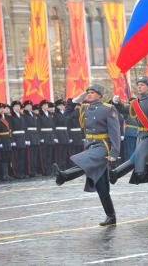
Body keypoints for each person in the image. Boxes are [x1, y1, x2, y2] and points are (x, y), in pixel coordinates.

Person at [53, 84, 120, 226]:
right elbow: (67, 114)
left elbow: (115, 131)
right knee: (101, 186)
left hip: (103, 146)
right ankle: (111, 216)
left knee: (85, 161)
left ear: (99, 95)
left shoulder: (108, 108)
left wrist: (115, 152)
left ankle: (64, 176)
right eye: (88, 92)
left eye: (92, 92)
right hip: (90, 145)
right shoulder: (84, 108)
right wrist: (78, 98)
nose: (89, 94)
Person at [110, 76, 148, 215]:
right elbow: (126, 110)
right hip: (140, 137)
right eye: (138, 85)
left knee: (136, 159)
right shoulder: (136, 103)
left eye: (142, 85)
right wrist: (118, 104)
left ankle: (115, 174)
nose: (140, 87)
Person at [0, 103, 12, 181]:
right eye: (0, 108)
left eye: (3, 108)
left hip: (7, 139)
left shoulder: (7, 117)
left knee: (7, 157)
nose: (2, 110)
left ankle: (7, 174)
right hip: (1, 139)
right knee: (2, 158)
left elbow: (10, 129)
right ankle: (3, 175)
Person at [9, 100, 27, 178]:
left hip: (22, 138)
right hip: (16, 138)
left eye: (19, 106)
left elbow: (25, 129)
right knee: (16, 158)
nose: (18, 107)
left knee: (22, 157)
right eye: (16, 106)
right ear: (13, 108)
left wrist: (26, 139)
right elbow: (10, 129)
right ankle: (16, 173)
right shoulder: (11, 117)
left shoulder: (22, 116)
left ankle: (22, 172)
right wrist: (12, 141)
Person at [38, 99, 56, 175]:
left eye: (47, 105)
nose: (46, 106)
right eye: (44, 105)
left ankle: (50, 170)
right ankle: (45, 170)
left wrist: (54, 136)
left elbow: (53, 127)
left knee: (50, 154)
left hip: (50, 136)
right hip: (44, 136)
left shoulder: (50, 114)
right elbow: (38, 127)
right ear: (42, 106)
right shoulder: (39, 115)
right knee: (44, 155)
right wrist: (41, 138)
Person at [23, 100, 41, 177]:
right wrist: (27, 139)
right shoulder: (24, 115)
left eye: (30, 106)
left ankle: (34, 170)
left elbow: (37, 127)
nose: (29, 107)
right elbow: (25, 128)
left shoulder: (33, 114)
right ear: (25, 107)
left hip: (35, 137)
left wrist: (38, 137)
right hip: (29, 137)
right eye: (28, 106)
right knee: (30, 156)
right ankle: (30, 171)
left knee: (34, 155)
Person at [54, 99, 70, 170]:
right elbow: (53, 126)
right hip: (59, 134)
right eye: (60, 105)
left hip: (65, 134)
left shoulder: (65, 114)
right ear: (57, 106)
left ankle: (63, 165)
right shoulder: (55, 114)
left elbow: (68, 126)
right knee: (59, 152)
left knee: (64, 151)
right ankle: (59, 166)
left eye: (63, 105)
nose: (62, 107)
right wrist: (55, 137)